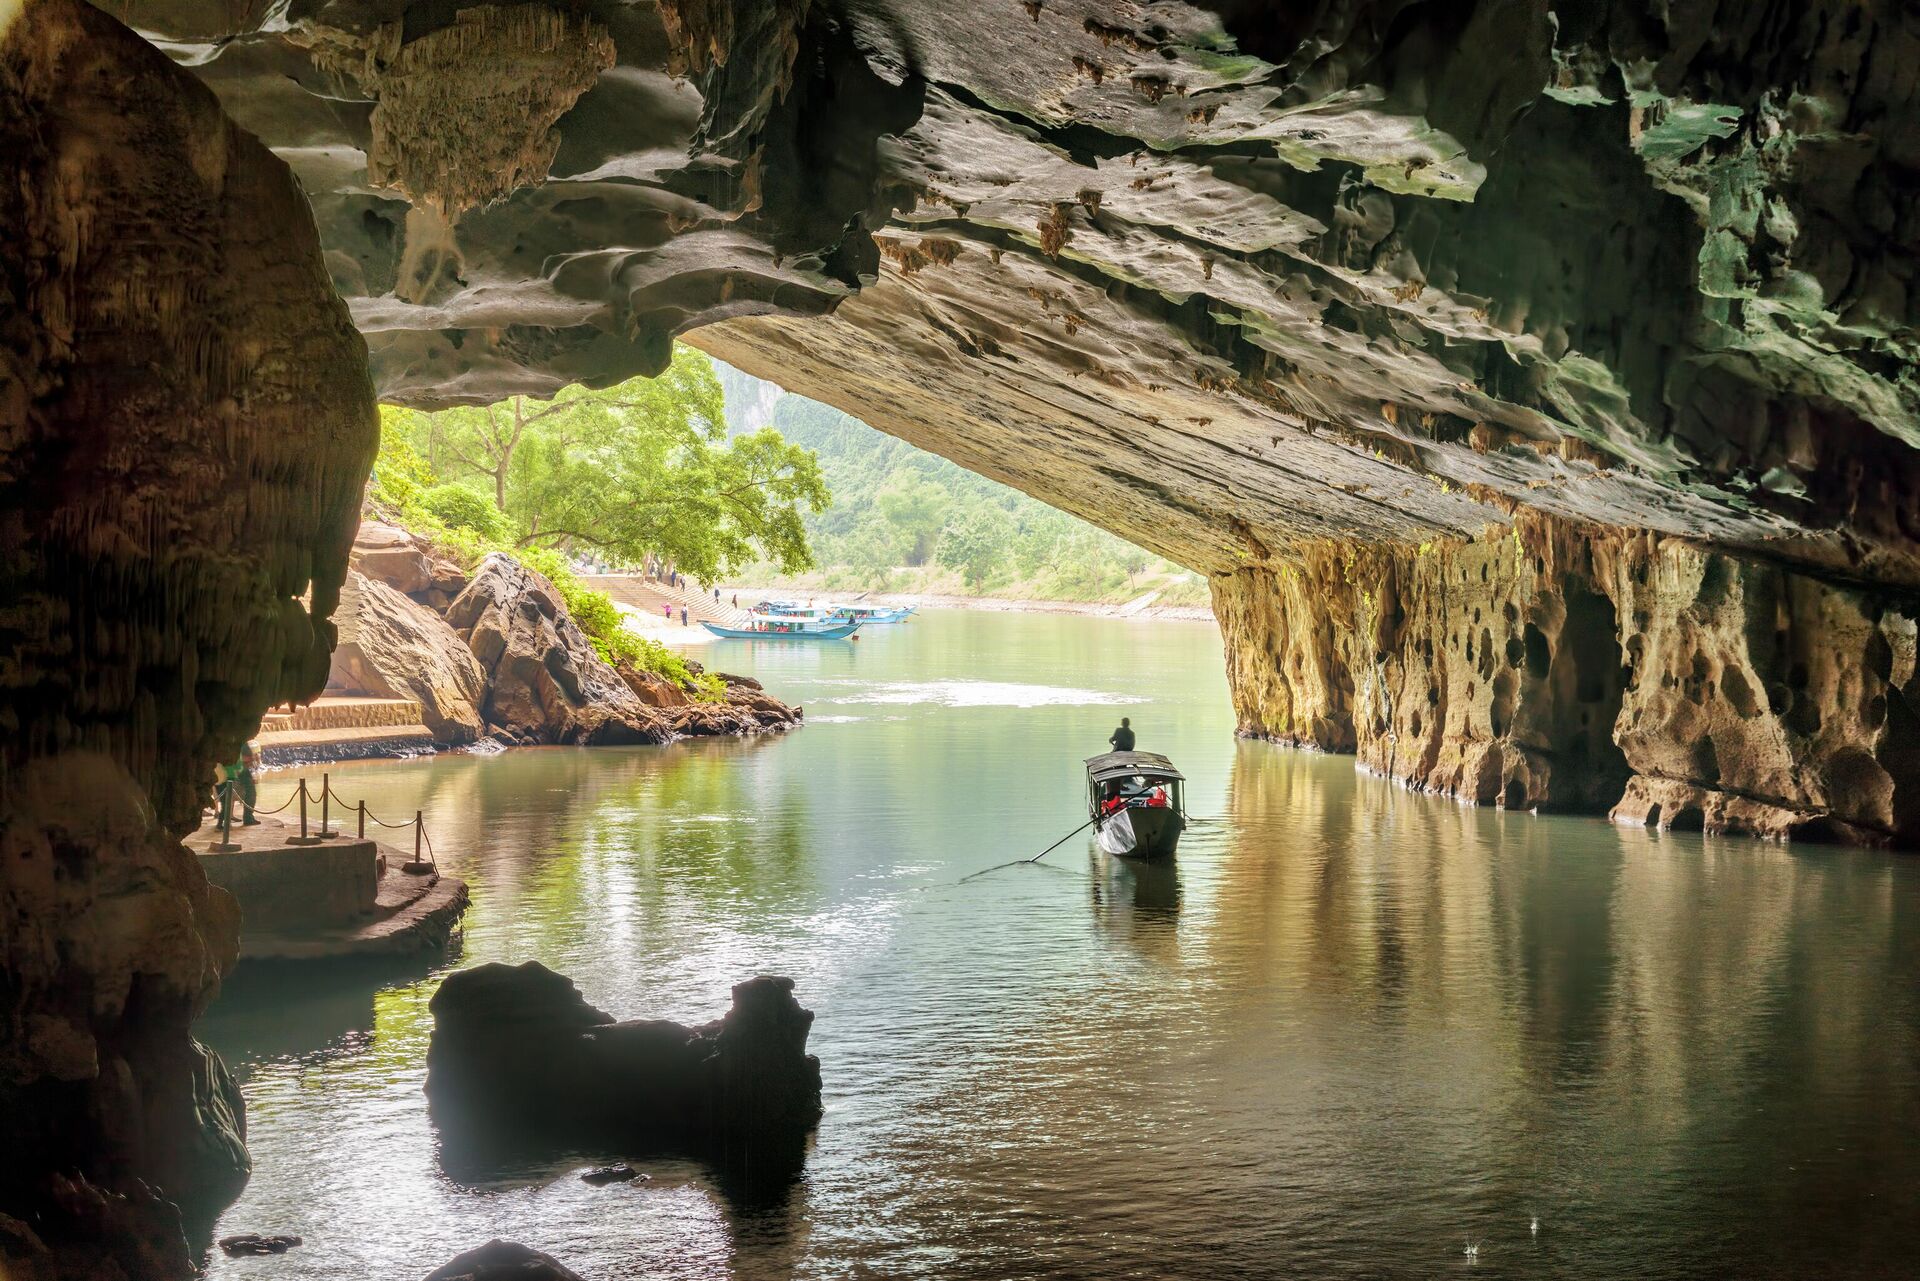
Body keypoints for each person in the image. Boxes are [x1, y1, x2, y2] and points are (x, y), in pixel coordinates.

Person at [221, 742, 259, 827]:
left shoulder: (238, 742)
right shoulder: (239, 743)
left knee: (248, 794)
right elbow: (244, 759)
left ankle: (246, 817)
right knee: (250, 794)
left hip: (240, 772)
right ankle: (248, 818)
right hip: (239, 773)